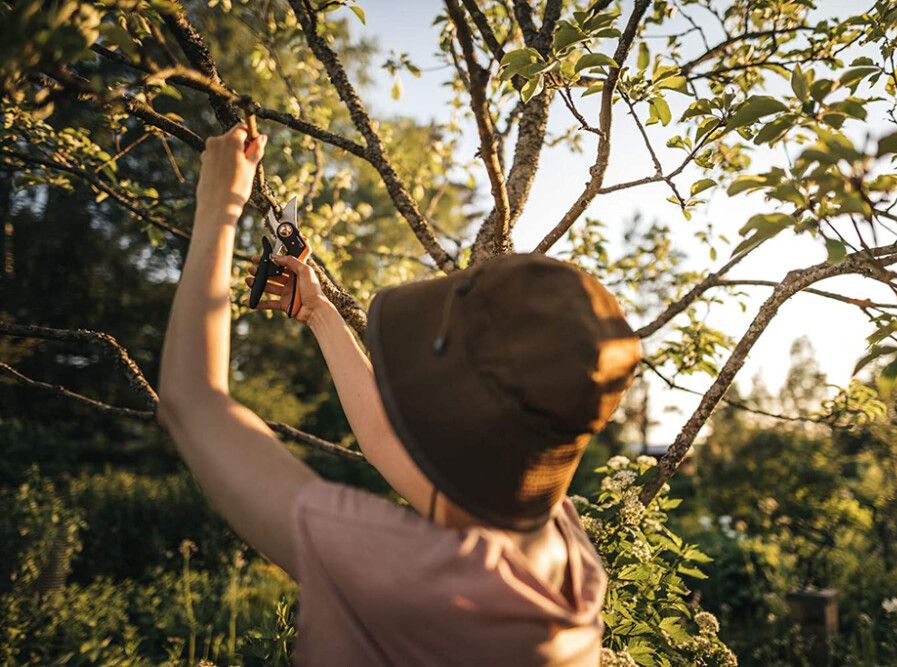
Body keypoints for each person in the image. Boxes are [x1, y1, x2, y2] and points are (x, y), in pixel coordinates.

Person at [158, 124, 642, 666]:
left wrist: (218, 207)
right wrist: (318, 311)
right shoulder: (565, 549)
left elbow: (190, 400)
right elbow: (387, 441)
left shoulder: (413, 581)